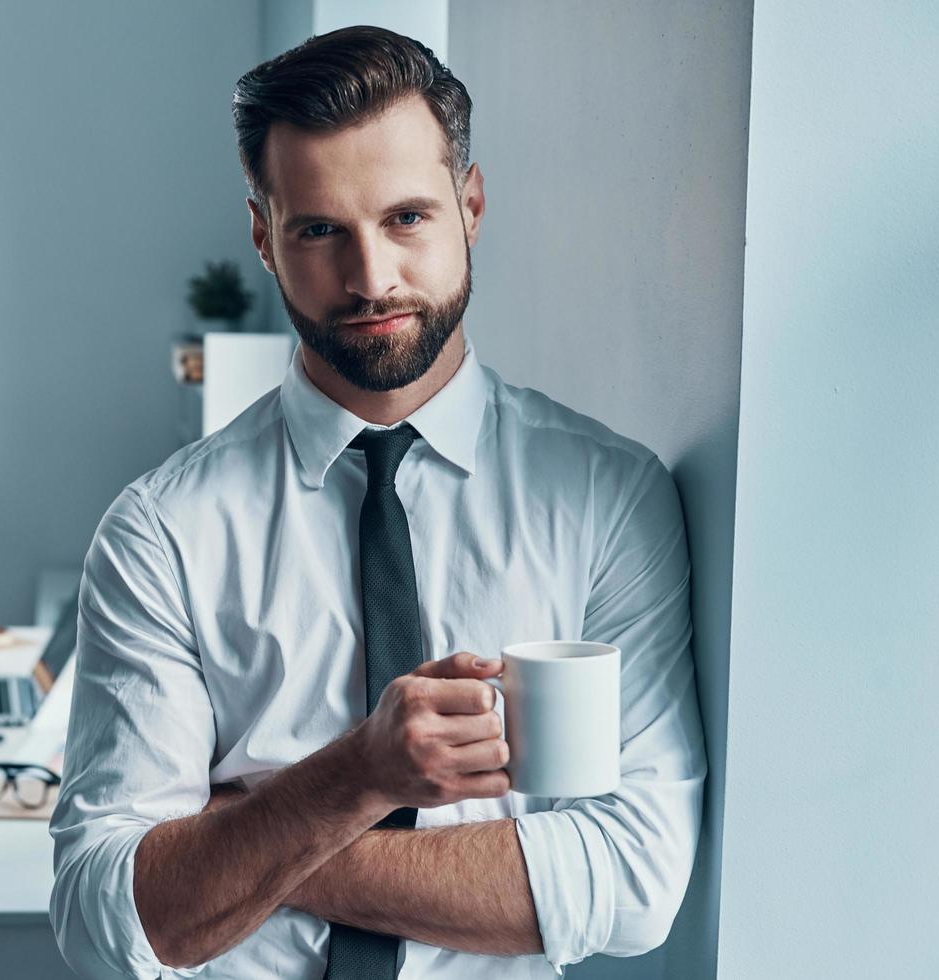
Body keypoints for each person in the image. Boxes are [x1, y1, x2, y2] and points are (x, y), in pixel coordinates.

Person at [49, 24, 706, 980]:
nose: (371, 278)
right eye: (319, 229)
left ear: (469, 206)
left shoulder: (606, 498)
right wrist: (356, 775)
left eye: (406, 218)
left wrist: (256, 837)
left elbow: (633, 881)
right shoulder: (162, 533)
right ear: (262, 240)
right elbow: (114, 921)